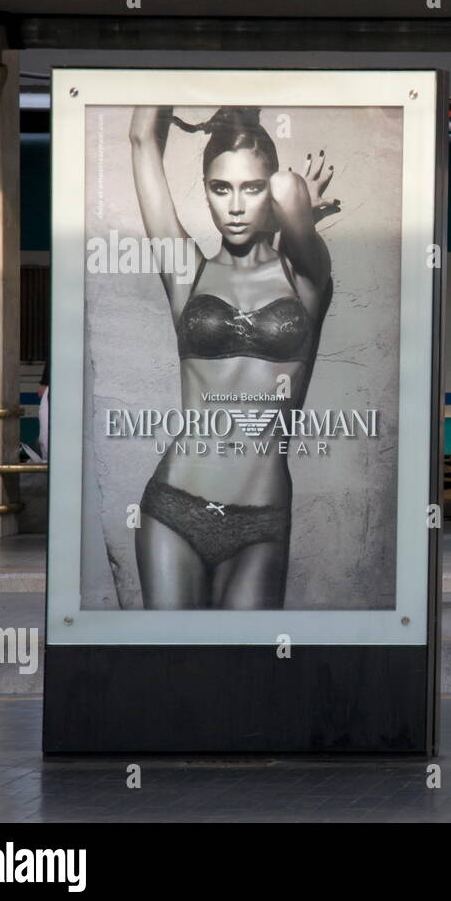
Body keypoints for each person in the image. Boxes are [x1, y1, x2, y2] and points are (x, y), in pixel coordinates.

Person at [128, 106, 339, 608]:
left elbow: (290, 190)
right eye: (220, 189)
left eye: (252, 187)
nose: (236, 206)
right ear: (204, 190)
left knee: (245, 678)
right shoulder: (187, 274)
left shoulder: (306, 277)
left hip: (260, 517)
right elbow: (141, 139)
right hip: (173, 506)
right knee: (173, 674)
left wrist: (298, 210)